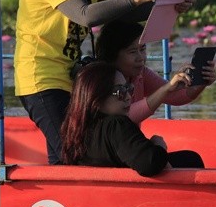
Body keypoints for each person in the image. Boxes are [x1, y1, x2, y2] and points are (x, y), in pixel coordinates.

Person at [13, 0, 195, 164]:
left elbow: (124, 10)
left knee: (65, 154)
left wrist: (169, 4)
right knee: (72, 151)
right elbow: (86, 15)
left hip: (70, 78)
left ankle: (66, 200)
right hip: (41, 77)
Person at [60, 61, 204, 177]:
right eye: (120, 92)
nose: (128, 96)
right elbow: (149, 163)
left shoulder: (73, 129)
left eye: (128, 88)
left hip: (96, 197)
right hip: (126, 199)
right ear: (96, 99)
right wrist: (159, 146)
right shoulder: (116, 124)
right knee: (190, 159)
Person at [95, 19, 216, 124]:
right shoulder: (100, 81)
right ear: (112, 55)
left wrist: (198, 83)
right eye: (132, 52)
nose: (141, 57)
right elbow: (124, 117)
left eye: (143, 49)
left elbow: (176, 96)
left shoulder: (141, 74)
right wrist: (166, 88)